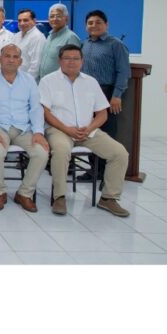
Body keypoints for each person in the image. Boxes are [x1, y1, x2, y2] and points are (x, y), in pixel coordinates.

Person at [39, 44, 130, 217]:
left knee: (120, 153)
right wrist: (67, 129)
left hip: (88, 131)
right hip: (59, 130)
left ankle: (109, 198)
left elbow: (102, 113)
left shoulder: (91, 82)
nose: (71, 62)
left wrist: (89, 129)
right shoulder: (48, 81)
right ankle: (59, 197)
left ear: (82, 61)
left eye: (76, 58)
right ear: (60, 60)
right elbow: (45, 112)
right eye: (67, 58)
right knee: (61, 150)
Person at [0, 44, 49, 212]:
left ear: (20, 61)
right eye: (7, 56)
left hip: (23, 128)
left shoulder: (29, 80)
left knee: (41, 152)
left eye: (15, 57)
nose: (11, 60)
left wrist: (38, 132)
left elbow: (36, 108)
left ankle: (24, 193)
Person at [81, 9, 130, 139]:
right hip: (85, 92)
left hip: (106, 92)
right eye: (90, 23)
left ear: (106, 24)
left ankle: (107, 152)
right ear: (86, 26)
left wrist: (116, 96)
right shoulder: (84, 44)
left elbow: (124, 71)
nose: (94, 25)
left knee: (107, 129)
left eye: (98, 22)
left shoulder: (116, 44)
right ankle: (91, 153)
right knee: (88, 127)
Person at [38, 3, 81, 79]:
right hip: (45, 81)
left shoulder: (71, 37)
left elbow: (73, 65)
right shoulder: (49, 36)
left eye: (58, 16)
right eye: (52, 16)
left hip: (61, 82)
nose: (54, 19)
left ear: (66, 19)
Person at [12, 8, 45, 81]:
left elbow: (35, 66)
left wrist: (25, 82)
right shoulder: (16, 36)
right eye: (19, 21)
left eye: (25, 20)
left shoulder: (38, 37)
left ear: (34, 21)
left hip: (28, 81)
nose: (22, 23)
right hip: (15, 79)